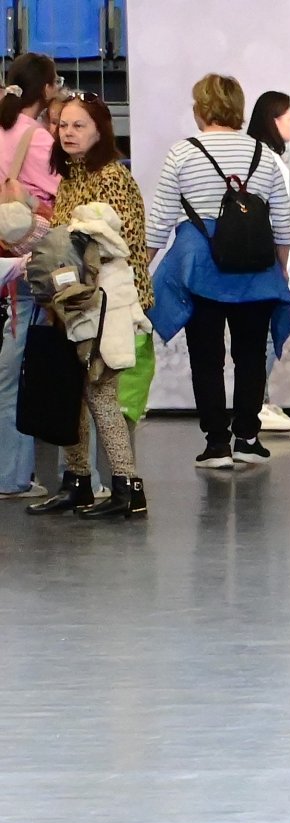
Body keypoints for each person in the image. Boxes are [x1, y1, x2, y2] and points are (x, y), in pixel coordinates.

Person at [145, 73, 290, 470]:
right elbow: (281, 222)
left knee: (206, 358)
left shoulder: (182, 153)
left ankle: (216, 444)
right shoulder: (265, 155)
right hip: (256, 269)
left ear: (201, 109)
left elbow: (159, 221)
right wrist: (278, 271)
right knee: (250, 356)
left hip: (201, 267)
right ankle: (247, 435)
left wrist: (139, 270)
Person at [27, 94, 153, 517]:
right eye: (63, 125)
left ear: (100, 130)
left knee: (102, 395)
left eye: (79, 125)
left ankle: (127, 488)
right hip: (72, 304)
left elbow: (120, 248)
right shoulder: (71, 178)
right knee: (71, 395)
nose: (68, 132)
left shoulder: (113, 177)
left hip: (108, 306)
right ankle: (77, 481)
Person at [0, 51, 60, 500]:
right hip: (24, 262)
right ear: (46, 89)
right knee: (21, 371)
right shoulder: (37, 139)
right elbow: (64, 195)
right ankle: (15, 475)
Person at [246, 90, 290, 434]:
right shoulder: (270, 160)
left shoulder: (268, 155)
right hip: (270, 264)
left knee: (262, 335)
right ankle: (254, 404)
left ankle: (260, 399)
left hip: (266, 263)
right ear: (274, 120)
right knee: (265, 337)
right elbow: (288, 211)